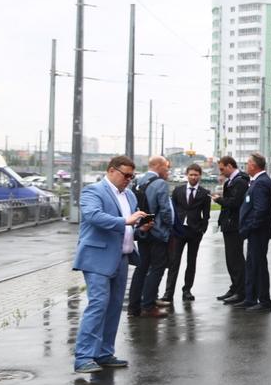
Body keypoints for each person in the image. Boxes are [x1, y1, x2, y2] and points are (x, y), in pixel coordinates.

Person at [73, 156, 151, 373]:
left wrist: (140, 229)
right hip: (97, 257)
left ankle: (104, 353)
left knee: (114, 307)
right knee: (98, 305)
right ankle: (83, 357)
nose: (129, 180)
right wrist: (126, 221)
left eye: (132, 176)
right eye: (126, 175)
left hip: (122, 257)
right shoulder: (93, 191)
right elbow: (93, 216)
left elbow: (128, 230)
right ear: (111, 171)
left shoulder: (130, 195)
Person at [126, 155, 173, 318]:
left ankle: (134, 306)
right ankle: (149, 305)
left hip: (142, 230)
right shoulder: (160, 183)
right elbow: (165, 210)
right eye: (166, 166)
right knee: (157, 268)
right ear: (158, 166)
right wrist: (169, 227)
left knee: (141, 268)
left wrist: (142, 225)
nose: (167, 169)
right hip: (157, 232)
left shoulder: (137, 182)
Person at [161, 163, 212, 303]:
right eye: (191, 175)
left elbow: (206, 214)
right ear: (187, 175)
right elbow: (172, 209)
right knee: (174, 262)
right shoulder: (178, 190)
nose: (193, 177)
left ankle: (187, 290)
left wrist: (202, 229)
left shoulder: (204, 193)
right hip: (178, 231)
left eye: (196, 175)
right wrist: (172, 227)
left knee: (191, 262)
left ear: (200, 176)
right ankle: (168, 292)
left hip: (195, 232)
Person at [234, 152, 271, 312]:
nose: (246, 166)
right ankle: (250, 299)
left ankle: (264, 301)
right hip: (255, 231)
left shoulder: (261, 183)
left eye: (248, 163)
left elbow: (261, 210)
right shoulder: (258, 181)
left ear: (253, 165)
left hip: (259, 232)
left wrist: (248, 228)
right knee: (252, 265)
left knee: (258, 265)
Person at [213, 156, 250, 304]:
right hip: (228, 224)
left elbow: (235, 203)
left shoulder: (240, 181)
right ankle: (235, 287)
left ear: (230, 166)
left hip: (235, 225)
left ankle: (241, 291)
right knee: (231, 259)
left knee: (236, 259)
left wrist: (219, 200)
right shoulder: (230, 181)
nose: (221, 172)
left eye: (222, 169)